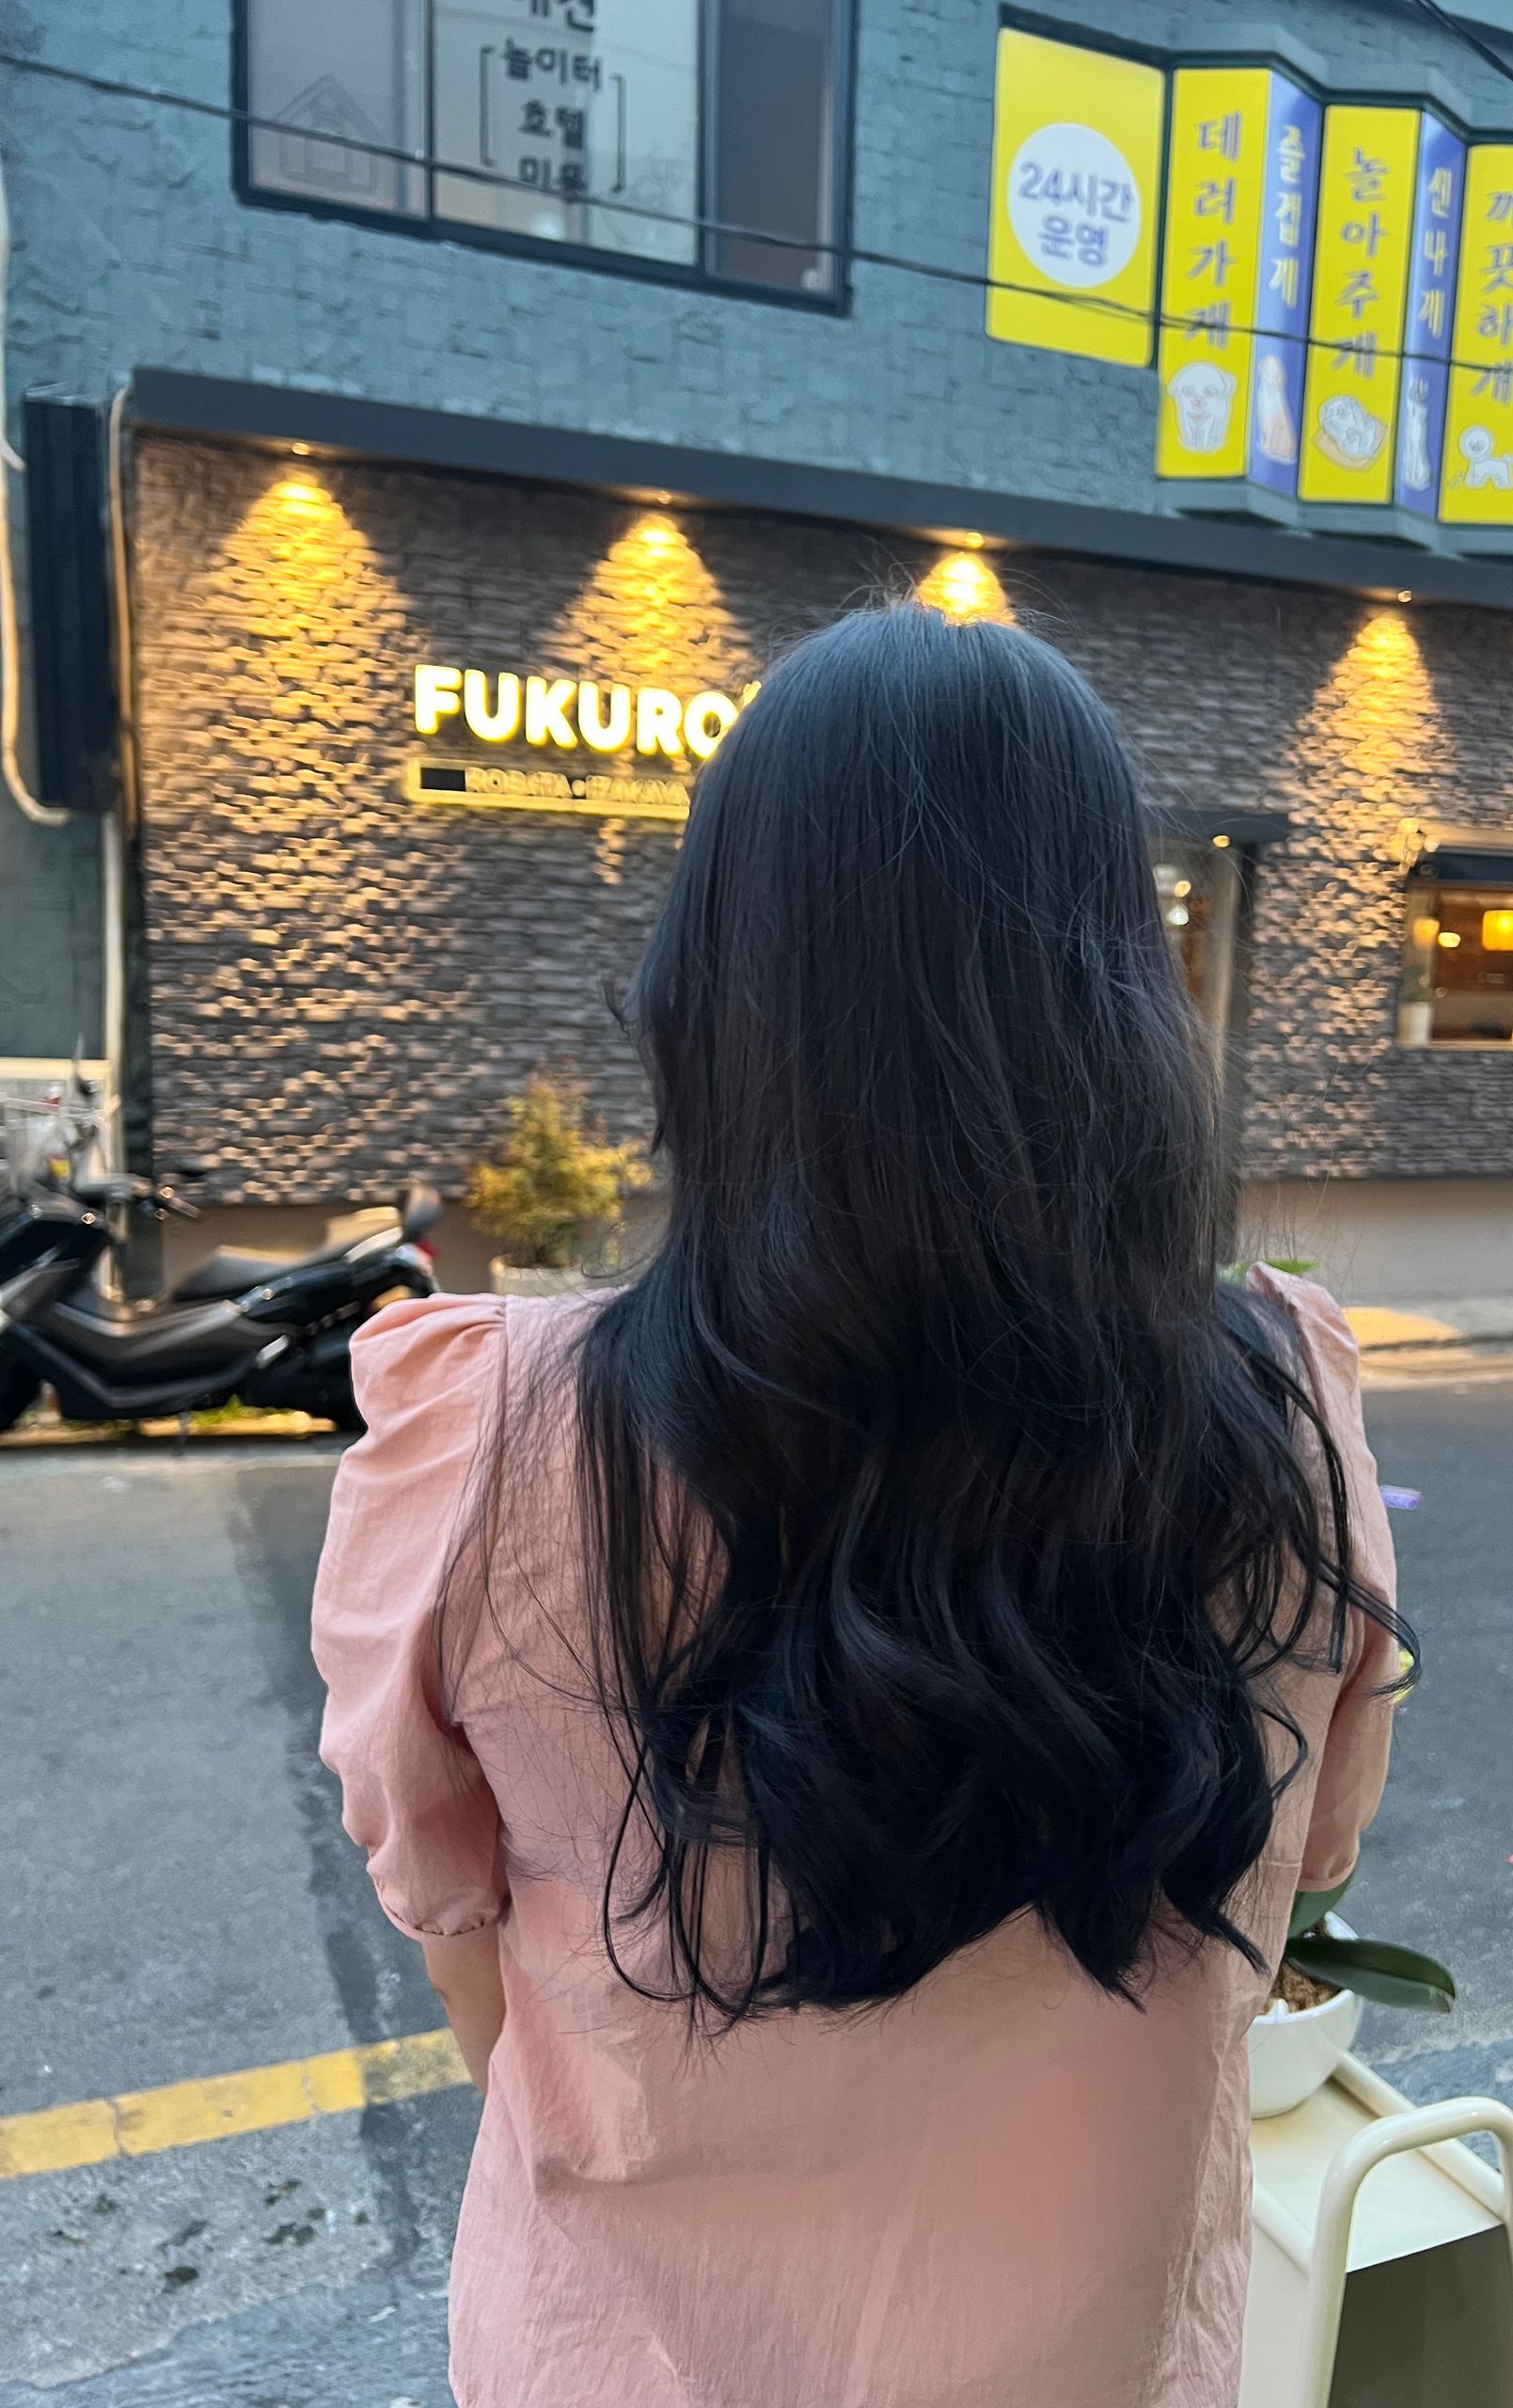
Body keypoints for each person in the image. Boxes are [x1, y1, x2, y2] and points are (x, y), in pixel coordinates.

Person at [312, 605, 1409, 2408]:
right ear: (1127, 1007)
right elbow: (1311, 1859)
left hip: (631, 2361)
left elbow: (475, 1968)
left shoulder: (492, 1431)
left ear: (708, 998)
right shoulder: (1276, 1404)